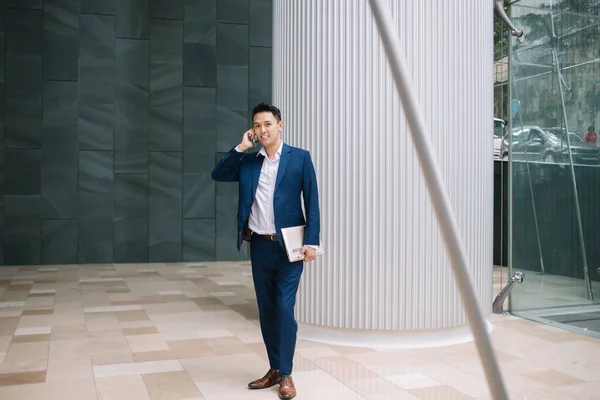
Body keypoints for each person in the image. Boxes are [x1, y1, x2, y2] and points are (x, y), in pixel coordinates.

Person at [211, 103, 320, 399]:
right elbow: (218, 174)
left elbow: (312, 202)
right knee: (267, 310)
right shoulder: (248, 161)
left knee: (284, 308)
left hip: (290, 247)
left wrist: (312, 242)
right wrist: (240, 146)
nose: (262, 130)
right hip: (259, 245)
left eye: (267, 124)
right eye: (257, 126)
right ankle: (273, 368)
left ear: (280, 125)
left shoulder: (299, 158)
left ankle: (286, 373)